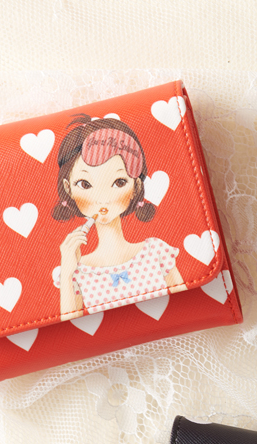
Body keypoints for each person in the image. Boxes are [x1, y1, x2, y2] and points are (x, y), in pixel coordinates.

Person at [52, 114, 187, 321]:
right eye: (85, 184)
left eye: (119, 182)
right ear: (68, 188)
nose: (103, 198)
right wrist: (67, 272)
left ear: (136, 187)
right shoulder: (78, 271)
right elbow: (70, 327)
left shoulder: (156, 252)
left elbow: (187, 305)